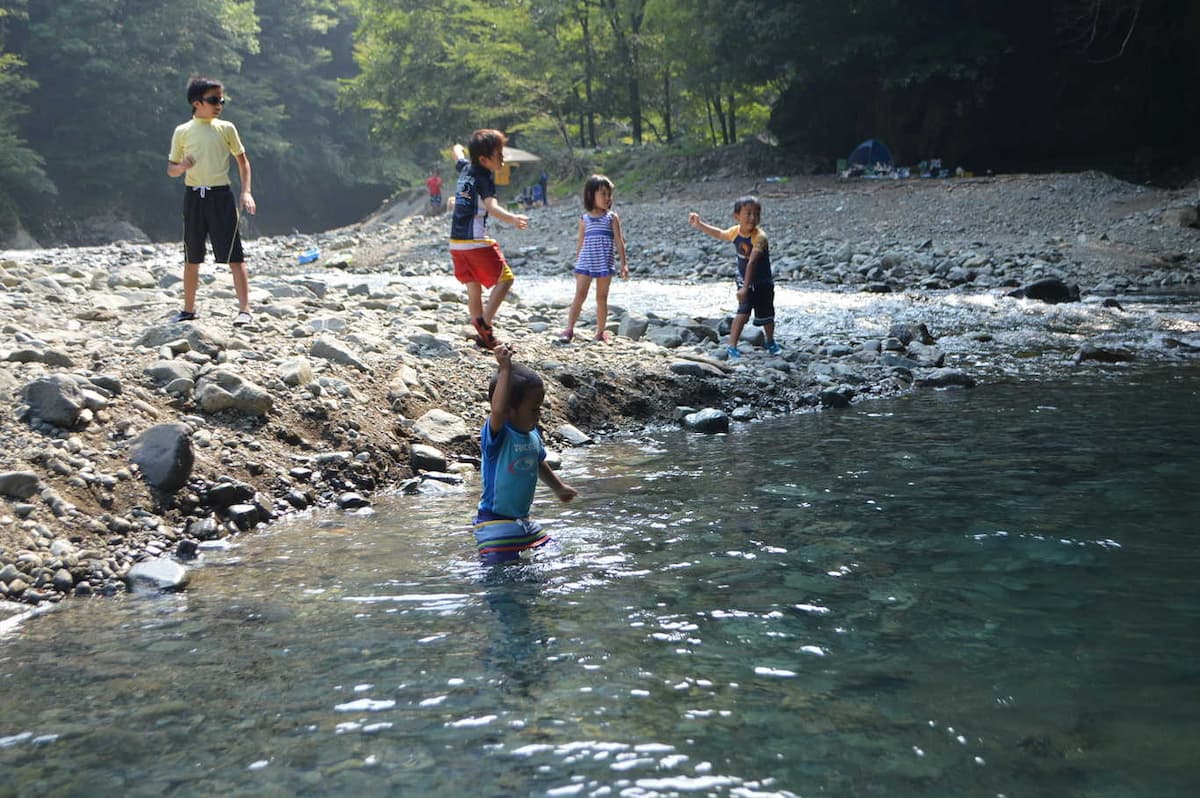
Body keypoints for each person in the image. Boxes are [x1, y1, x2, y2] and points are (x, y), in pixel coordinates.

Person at [474, 344, 577, 564]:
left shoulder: (532, 436)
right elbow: (498, 410)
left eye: (540, 409)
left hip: (523, 523)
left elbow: (538, 463)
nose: (538, 415)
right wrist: (504, 370)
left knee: (558, 553)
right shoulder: (498, 436)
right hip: (494, 524)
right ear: (510, 411)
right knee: (501, 576)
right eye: (533, 409)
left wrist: (558, 488)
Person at [166, 77, 256, 326]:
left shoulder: (226, 128)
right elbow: (171, 169)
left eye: (221, 100)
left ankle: (245, 310)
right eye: (213, 100)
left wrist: (246, 192)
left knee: (234, 255)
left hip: (221, 196)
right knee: (192, 256)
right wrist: (183, 166)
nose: (219, 104)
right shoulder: (182, 131)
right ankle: (188, 309)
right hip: (194, 195)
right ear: (197, 103)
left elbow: (242, 161)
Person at [450, 130, 529, 350]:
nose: (502, 158)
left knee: (473, 288)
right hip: (475, 241)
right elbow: (492, 208)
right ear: (484, 160)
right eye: (498, 154)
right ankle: (485, 322)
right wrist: (513, 218)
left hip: (455, 242)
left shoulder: (466, 169)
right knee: (506, 279)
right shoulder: (484, 178)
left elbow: (457, 154)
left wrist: (457, 145)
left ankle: (483, 336)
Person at [688, 196, 782, 358]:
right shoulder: (735, 231)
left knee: (766, 314)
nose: (753, 218)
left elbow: (752, 262)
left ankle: (770, 341)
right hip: (743, 279)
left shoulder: (760, 237)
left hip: (762, 281)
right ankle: (732, 345)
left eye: (756, 214)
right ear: (737, 216)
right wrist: (699, 225)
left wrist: (746, 287)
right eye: (748, 214)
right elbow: (720, 233)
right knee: (743, 312)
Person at [561, 175, 629, 343]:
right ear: (591, 195)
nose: (607, 198)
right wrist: (577, 263)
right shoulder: (584, 219)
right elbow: (580, 242)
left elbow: (619, 242)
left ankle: (600, 332)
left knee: (601, 298)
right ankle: (569, 329)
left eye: (609, 194)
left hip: (604, 262)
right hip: (585, 261)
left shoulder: (612, 217)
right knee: (580, 295)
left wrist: (624, 264)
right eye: (603, 194)